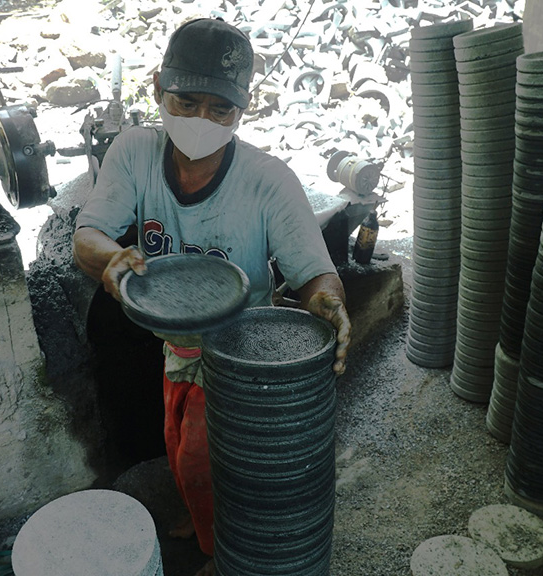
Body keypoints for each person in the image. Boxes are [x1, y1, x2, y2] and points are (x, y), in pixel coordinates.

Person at [72, 17, 352, 576]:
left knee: (209, 459)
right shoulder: (134, 152)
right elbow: (87, 236)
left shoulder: (268, 180)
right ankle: (207, 519)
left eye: (220, 109)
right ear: (158, 87)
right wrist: (112, 257)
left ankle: (224, 550)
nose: (202, 120)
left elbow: (316, 275)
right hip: (175, 341)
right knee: (179, 445)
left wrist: (328, 300)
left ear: (241, 111)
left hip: (242, 352)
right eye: (187, 100)